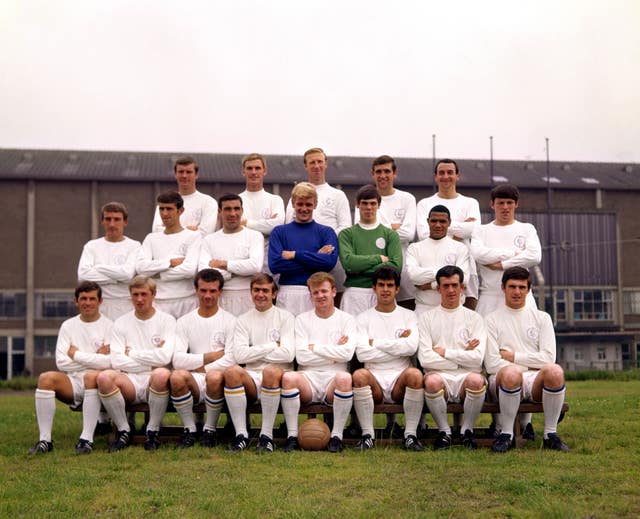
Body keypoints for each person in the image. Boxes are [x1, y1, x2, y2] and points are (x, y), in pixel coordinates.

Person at [484, 267, 569, 453]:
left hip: (533, 379)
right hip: (500, 379)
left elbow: (548, 358)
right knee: (510, 373)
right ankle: (507, 434)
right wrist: (529, 363)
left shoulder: (542, 318)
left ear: (528, 289)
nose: (517, 292)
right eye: (512, 286)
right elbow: (491, 363)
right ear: (503, 288)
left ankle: (550, 435)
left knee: (555, 371)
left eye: (522, 287)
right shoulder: (491, 320)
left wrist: (513, 356)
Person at [28, 281, 113, 455]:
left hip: (100, 384)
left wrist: (76, 354)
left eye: (92, 299)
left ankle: (86, 439)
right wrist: (96, 355)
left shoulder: (110, 326)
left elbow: (109, 363)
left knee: (93, 376)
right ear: (76, 301)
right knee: (46, 378)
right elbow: (61, 362)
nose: (87, 303)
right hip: (73, 381)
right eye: (83, 298)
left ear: (100, 302)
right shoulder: (68, 326)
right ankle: (45, 440)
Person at [280, 272, 357, 452]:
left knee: (345, 379)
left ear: (334, 292)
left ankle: (336, 436)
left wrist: (314, 347)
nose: (320, 296)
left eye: (324, 291)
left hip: (334, 379)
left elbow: (347, 354)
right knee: (289, 378)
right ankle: (292, 436)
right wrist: (333, 352)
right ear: (311, 295)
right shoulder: (302, 320)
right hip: (308, 377)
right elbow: (301, 357)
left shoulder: (347, 319)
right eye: (315, 292)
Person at [97, 276, 175, 452]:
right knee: (104, 377)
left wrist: (131, 353)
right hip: (128, 380)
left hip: (154, 381)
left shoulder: (167, 320)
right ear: (130, 295)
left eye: (144, 294)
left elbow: (164, 358)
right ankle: (124, 431)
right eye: (135, 295)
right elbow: (116, 360)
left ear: (153, 294)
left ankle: (152, 431)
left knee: (161, 373)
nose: (139, 299)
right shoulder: (120, 323)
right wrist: (150, 362)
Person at [352, 266, 424, 451]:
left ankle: (410, 435)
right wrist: (396, 344)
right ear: (374, 288)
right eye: (381, 285)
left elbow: (411, 348)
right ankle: (368, 435)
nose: (385, 290)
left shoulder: (409, 316)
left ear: (397, 289)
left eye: (390, 285)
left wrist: (375, 342)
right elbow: (362, 354)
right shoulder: (363, 318)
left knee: (415, 375)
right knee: (359, 375)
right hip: (373, 377)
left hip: (400, 378)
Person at [417, 265, 487, 450]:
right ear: (438, 288)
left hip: (466, 376)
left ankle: (467, 431)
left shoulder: (475, 319)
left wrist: (445, 352)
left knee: (476, 380)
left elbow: (477, 360)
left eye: (455, 285)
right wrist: (463, 356)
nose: (450, 290)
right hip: (439, 376)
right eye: (446, 286)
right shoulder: (426, 318)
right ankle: (444, 432)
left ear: (462, 287)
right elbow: (425, 359)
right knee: (431, 382)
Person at [223, 273, 295, 452]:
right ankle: (241, 435)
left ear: (274, 294)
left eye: (265, 290)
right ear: (251, 292)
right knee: (231, 372)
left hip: (278, 376)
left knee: (270, 371)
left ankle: (266, 436)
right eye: (256, 290)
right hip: (252, 376)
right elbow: (239, 356)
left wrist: (253, 351)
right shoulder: (243, 320)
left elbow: (287, 355)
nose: (260, 294)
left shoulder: (286, 318)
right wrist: (271, 346)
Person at [170, 269, 237, 448]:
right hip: (194, 379)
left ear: (220, 292)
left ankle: (210, 429)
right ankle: (190, 429)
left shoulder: (230, 321)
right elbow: (177, 360)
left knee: (214, 376)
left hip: (217, 377)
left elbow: (231, 359)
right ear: (196, 290)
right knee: (176, 376)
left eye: (213, 291)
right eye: (203, 290)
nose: (208, 295)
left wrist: (201, 368)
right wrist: (211, 356)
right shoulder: (184, 321)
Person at [416, 159, 481, 309]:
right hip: (433, 269)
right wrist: (461, 228)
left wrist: (443, 230)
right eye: (441, 173)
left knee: (467, 317)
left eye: (450, 172)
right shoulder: (424, 204)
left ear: (458, 175)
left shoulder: (470, 203)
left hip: (466, 269)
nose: (446, 176)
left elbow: (474, 230)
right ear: (435, 177)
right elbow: (424, 234)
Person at [285, 148, 351, 291]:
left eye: (320, 162)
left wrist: (325, 246)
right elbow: (289, 228)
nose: (316, 166)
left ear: (325, 163)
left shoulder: (338, 195)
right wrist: (312, 252)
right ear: (305, 166)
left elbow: (345, 228)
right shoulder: (294, 196)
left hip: (330, 264)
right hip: (301, 266)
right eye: (312, 162)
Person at [470, 184, 541, 317]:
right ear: (492, 204)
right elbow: (478, 254)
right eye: (500, 203)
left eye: (509, 202)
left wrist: (502, 265)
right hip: (490, 300)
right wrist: (514, 253)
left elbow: (534, 256)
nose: (505, 207)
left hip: (522, 300)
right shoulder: (481, 230)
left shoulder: (527, 229)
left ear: (516, 204)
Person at [268, 182, 338, 315]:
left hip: (316, 293)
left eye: (308, 204)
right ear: (293, 203)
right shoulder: (279, 232)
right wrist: (316, 256)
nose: (304, 208)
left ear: (315, 204)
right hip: (287, 293)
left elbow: (329, 263)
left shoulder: (327, 232)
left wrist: (295, 255)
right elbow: (275, 265)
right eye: (300, 204)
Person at [356, 155, 416, 303]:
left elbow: (408, 234)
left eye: (387, 171)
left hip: (403, 273)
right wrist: (394, 227)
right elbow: (363, 234)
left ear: (394, 173)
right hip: (374, 274)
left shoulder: (407, 199)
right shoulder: (365, 199)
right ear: (373, 174)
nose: (383, 176)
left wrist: (379, 226)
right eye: (378, 172)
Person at [338, 184, 402, 316]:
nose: (368, 207)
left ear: (379, 205)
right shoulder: (346, 234)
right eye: (364, 203)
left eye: (373, 203)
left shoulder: (390, 234)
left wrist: (359, 268)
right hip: (355, 293)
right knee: (353, 335)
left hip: (381, 293)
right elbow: (349, 264)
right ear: (357, 204)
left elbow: (396, 267)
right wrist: (378, 259)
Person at [137, 191, 202, 319]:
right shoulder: (151, 238)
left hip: (187, 301)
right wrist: (169, 263)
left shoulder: (193, 236)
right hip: (159, 302)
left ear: (180, 211)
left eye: (169, 209)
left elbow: (189, 270)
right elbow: (141, 268)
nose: (165, 213)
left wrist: (156, 274)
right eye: (162, 209)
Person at [198, 193, 264, 316]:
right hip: (220, 298)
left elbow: (255, 266)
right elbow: (204, 273)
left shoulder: (255, 236)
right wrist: (235, 273)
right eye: (227, 209)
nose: (232, 214)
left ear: (242, 210)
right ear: (219, 211)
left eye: (236, 209)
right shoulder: (209, 239)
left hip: (246, 298)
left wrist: (224, 264)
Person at [77, 202, 141, 321]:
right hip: (99, 307)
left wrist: (99, 267)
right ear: (102, 221)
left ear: (125, 222)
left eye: (117, 219)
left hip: (125, 306)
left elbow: (127, 275)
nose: (112, 224)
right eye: (108, 219)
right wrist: (117, 278)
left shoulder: (135, 246)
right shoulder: (91, 246)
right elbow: (83, 276)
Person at [407, 205, 470, 315]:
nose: (437, 225)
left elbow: (463, 280)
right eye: (434, 221)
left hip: (453, 310)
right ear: (428, 221)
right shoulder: (414, 248)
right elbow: (413, 276)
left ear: (449, 222)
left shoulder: (460, 248)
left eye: (442, 221)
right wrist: (449, 274)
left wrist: (430, 285)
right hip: (423, 309)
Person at [238, 153, 285, 271]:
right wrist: (265, 225)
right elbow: (235, 230)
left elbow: (276, 226)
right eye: (249, 168)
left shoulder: (275, 200)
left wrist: (246, 223)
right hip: (243, 261)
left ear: (264, 171)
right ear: (243, 172)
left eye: (257, 168)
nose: (253, 172)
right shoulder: (236, 201)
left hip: (269, 265)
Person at [151, 156, 218, 235]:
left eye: (189, 172)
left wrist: (169, 228)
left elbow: (205, 233)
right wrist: (192, 229)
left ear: (196, 175)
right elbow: (156, 231)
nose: (184, 176)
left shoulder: (208, 202)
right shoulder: (166, 202)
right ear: (175, 174)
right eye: (181, 172)